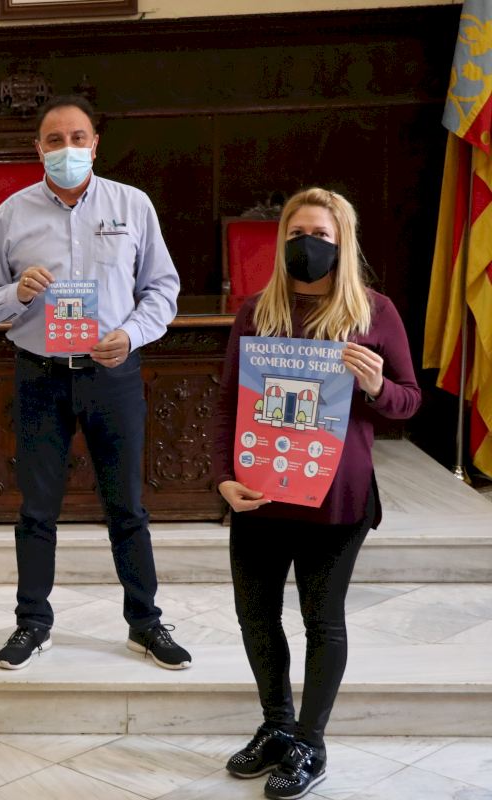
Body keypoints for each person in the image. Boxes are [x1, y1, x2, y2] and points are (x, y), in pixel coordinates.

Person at [0, 95, 191, 671]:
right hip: (39, 376)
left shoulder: (132, 204)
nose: (66, 148)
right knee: (36, 509)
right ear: (37, 148)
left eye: (77, 138)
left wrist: (132, 334)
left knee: (127, 507)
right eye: (54, 140)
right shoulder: (12, 213)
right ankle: (32, 622)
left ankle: (145, 623)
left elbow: (162, 290)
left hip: (112, 373)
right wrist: (15, 293)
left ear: (95, 145)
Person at [213, 188, 420, 799]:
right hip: (261, 492)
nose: (309, 244)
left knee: (321, 621)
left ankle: (310, 743)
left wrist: (377, 386)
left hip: (337, 498)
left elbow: (409, 402)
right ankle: (276, 726)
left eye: (322, 235)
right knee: (255, 616)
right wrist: (222, 478)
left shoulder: (374, 312)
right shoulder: (258, 312)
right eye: (298, 233)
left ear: (343, 243)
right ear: (282, 240)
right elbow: (227, 404)